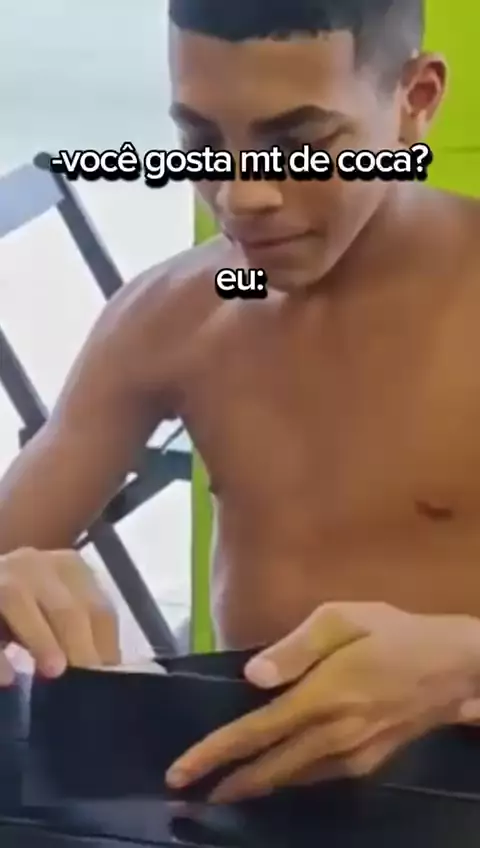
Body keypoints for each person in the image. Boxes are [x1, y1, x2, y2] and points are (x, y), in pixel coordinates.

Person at [1, 0, 480, 802]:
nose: (242, 194)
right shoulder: (178, 314)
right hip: (243, 798)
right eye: (203, 144)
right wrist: (14, 587)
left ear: (416, 99)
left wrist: (465, 662)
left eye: (299, 145)